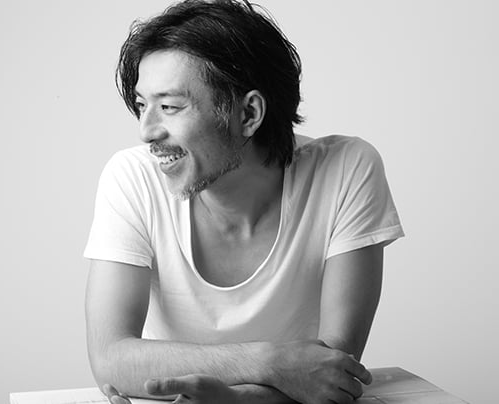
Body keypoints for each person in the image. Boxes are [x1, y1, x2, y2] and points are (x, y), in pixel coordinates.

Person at [83, 1, 404, 403]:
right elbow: (111, 358)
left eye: (169, 107)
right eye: (142, 105)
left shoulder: (346, 169)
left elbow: (335, 369)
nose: (146, 131)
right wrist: (269, 362)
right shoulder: (133, 177)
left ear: (248, 114)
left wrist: (241, 400)